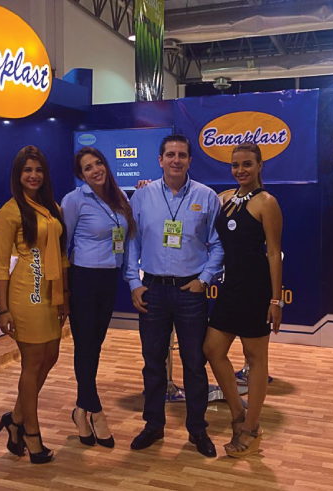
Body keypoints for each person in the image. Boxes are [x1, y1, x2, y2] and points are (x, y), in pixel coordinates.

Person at [125, 134, 224, 457]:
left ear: (190, 160)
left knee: (194, 363)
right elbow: (132, 243)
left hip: (190, 291)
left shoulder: (207, 197)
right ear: (160, 160)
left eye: (182, 155)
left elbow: (218, 244)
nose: (176, 160)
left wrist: (204, 279)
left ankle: (197, 430)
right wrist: (134, 282)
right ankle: (153, 425)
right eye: (170, 154)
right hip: (152, 290)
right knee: (153, 362)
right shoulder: (142, 196)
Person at [203, 142, 283, 458]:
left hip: (256, 289)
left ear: (260, 165)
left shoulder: (267, 203)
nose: (241, 170)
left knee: (255, 358)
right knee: (213, 349)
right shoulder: (224, 199)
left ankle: (251, 428)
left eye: (247, 164)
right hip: (230, 287)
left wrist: (275, 301)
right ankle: (238, 413)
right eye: (235, 165)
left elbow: (273, 253)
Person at [0, 145, 69, 464]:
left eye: (38, 170)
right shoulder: (10, 211)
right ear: (18, 175)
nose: (33, 175)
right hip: (26, 293)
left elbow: (61, 255)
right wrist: (4, 309)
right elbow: (1, 264)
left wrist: (64, 296)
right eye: (27, 170)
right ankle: (32, 435)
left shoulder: (52, 207)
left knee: (50, 356)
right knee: (33, 362)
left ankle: (15, 420)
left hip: (51, 293)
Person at [61, 147, 136, 448]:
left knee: (94, 347)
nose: (96, 170)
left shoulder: (121, 198)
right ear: (81, 175)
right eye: (88, 167)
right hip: (83, 279)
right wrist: (64, 290)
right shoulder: (74, 200)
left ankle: (81, 410)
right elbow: (63, 246)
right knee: (85, 346)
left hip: (109, 280)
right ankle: (96, 412)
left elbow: (127, 241)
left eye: (98, 163)